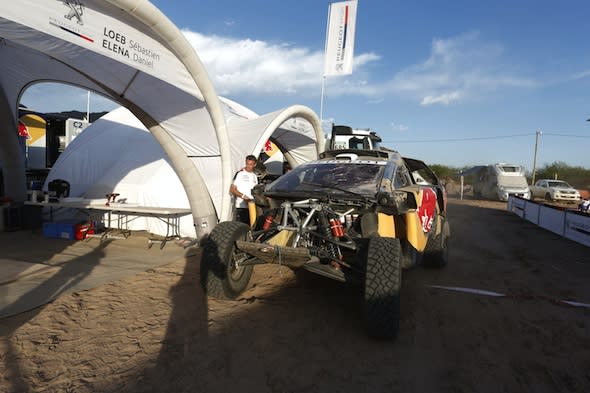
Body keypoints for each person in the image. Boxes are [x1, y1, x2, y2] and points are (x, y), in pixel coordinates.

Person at [230, 155, 258, 224]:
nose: (248, 166)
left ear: (255, 165)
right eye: (247, 164)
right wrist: (243, 197)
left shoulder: (254, 176)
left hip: (252, 207)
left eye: (251, 164)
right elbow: (232, 189)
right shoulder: (240, 173)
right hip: (241, 207)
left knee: (250, 228)